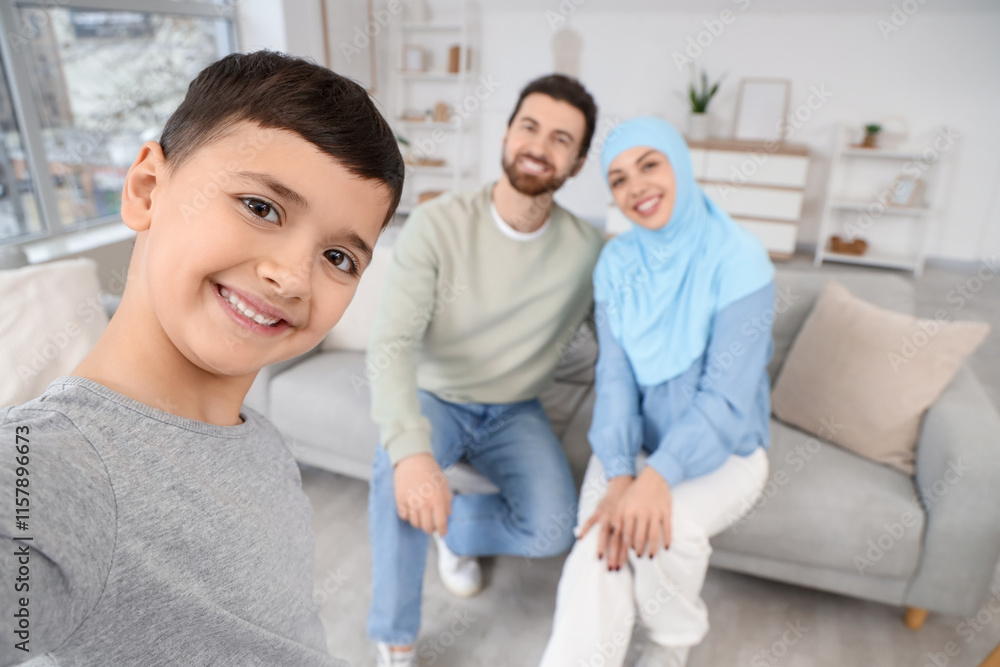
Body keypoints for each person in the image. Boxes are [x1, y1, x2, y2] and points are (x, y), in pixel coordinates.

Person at [0, 51, 403, 667]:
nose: (293, 278)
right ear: (146, 190)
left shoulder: (264, 444)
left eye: (339, 258)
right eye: (260, 207)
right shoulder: (52, 467)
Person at [366, 74, 604, 666]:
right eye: (529, 126)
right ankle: (394, 641)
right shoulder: (439, 224)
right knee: (395, 480)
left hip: (515, 409)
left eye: (560, 139)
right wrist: (412, 454)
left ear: (576, 163)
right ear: (506, 132)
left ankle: (453, 530)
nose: (538, 145)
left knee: (553, 528)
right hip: (436, 394)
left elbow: (628, 342)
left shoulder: (589, 251)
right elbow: (393, 341)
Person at [540, 116, 776, 667]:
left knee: (667, 532)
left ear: (680, 166)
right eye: (619, 179)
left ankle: (673, 642)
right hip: (633, 448)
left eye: (650, 165)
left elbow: (724, 398)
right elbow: (616, 378)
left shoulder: (739, 259)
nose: (636, 187)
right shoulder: (618, 263)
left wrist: (655, 480)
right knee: (598, 544)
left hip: (727, 450)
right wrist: (621, 475)